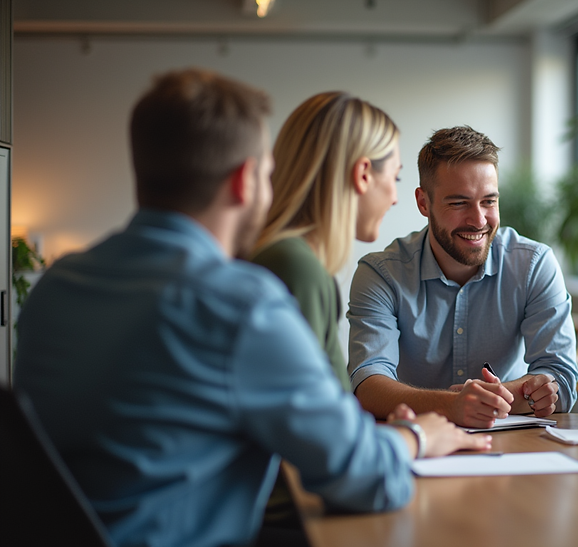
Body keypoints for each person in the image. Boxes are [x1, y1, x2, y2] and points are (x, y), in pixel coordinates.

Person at [13, 69, 490, 547]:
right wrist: (420, 437)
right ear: (244, 181)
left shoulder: (57, 284)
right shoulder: (243, 304)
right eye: (267, 174)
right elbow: (364, 480)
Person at [347, 126, 578, 429]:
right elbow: (368, 385)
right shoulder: (381, 274)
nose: (479, 220)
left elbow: (559, 379)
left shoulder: (533, 264)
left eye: (489, 201)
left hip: (512, 447)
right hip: (415, 446)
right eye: (459, 203)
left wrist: (483, 400)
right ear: (423, 203)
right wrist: (453, 405)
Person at [251, 92, 400, 391]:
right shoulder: (296, 268)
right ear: (363, 174)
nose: (395, 199)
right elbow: (306, 425)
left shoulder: (280, 256)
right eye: (395, 178)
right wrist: (417, 435)